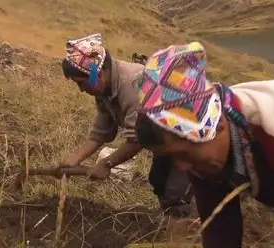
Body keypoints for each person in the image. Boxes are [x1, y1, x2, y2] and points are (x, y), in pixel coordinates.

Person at [133, 41, 274, 248]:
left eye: (184, 155)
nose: (182, 167)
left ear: (218, 124)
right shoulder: (203, 151)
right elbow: (220, 231)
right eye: (172, 158)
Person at [59, 33, 195, 234]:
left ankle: (187, 232)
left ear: (99, 73)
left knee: (177, 193)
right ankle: (171, 222)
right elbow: (101, 131)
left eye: (81, 83)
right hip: (164, 141)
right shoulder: (103, 90)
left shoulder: (133, 84)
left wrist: (107, 164)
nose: (80, 90)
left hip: (188, 139)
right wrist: (75, 159)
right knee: (158, 180)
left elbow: (136, 140)